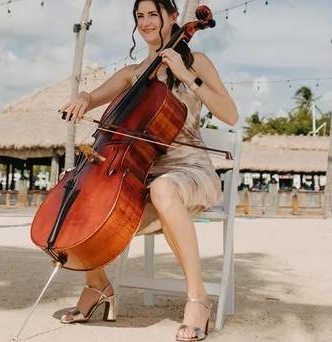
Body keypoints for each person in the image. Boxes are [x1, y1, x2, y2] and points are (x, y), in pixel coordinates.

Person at [58, 0, 237, 340]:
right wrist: (82, 98)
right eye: (139, 16)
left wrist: (187, 76)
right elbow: (93, 98)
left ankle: (198, 299)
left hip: (192, 172)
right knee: (83, 210)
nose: (145, 22)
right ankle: (97, 287)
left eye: (153, 14)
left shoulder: (197, 62)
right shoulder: (132, 74)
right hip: (146, 174)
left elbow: (230, 115)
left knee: (164, 189)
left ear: (172, 17)